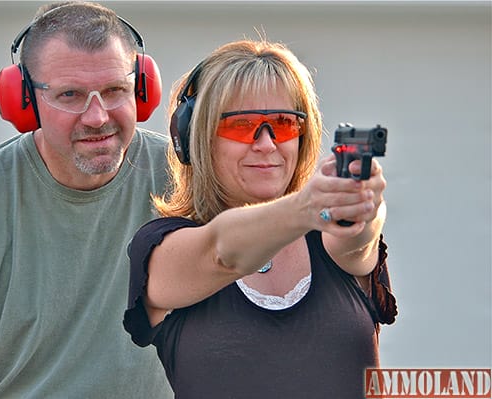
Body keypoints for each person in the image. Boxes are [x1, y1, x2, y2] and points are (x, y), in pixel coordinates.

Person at [0, 2, 173, 398]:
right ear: (23, 100)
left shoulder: (186, 181)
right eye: (70, 95)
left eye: (114, 91)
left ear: (142, 90)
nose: (97, 116)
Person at [123, 39, 398, 399]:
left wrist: (362, 205)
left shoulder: (329, 232)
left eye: (283, 124)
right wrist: (309, 206)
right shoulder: (164, 245)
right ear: (197, 138)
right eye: (242, 125)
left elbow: (358, 240)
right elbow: (223, 252)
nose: (266, 144)